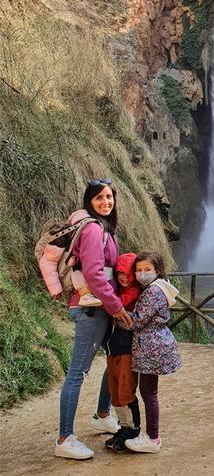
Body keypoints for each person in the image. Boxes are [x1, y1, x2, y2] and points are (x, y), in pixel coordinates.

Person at [54, 178, 133, 460]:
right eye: (99, 198)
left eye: (109, 197)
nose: (105, 202)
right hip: (92, 308)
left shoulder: (104, 229)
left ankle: (102, 414)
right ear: (90, 201)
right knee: (77, 373)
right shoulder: (91, 230)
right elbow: (95, 275)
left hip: (102, 306)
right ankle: (64, 438)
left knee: (114, 358)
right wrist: (117, 308)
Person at [122, 251, 182, 454]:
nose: (142, 274)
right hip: (153, 346)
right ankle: (151, 435)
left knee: (149, 393)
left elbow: (137, 321)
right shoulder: (159, 287)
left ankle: (153, 438)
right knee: (149, 392)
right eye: (138, 270)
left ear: (157, 270)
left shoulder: (152, 292)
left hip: (151, 348)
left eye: (147, 270)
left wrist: (116, 313)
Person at [104, 253, 141, 452]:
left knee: (125, 391)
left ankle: (133, 430)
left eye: (128, 274)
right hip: (114, 348)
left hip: (127, 349)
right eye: (120, 274)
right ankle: (123, 428)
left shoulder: (133, 292)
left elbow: (115, 304)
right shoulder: (121, 290)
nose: (124, 278)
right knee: (115, 392)